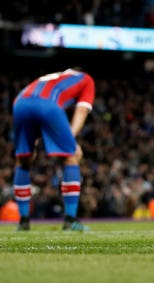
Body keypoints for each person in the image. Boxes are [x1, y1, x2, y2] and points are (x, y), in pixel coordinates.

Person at [12, 68, 95, 231]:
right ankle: (70, 220)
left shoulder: (50, 77)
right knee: (71, 156)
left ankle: (23, 222)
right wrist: (70, 140)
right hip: (47, 104)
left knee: (23, 160)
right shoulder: (86, 78)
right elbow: (82, 110)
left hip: (20, 103)